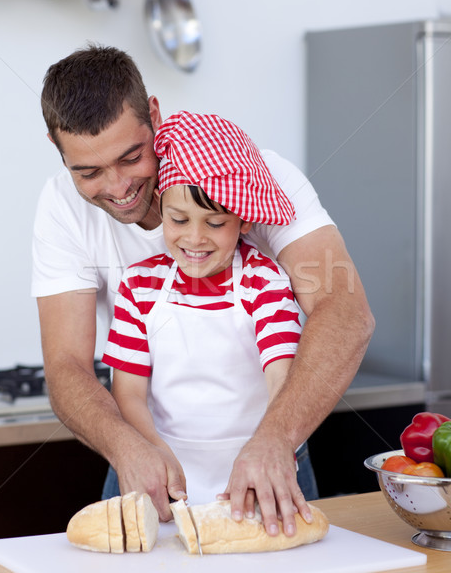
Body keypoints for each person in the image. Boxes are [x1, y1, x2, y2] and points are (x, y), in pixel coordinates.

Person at [33, 44, 374, 538]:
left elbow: (344, 309)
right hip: (145, 466)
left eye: (131, 156)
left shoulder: (253, 178)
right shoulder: (62, 208)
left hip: (270, 460)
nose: (119, 184)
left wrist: (276, 440)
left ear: (153, 115)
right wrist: (130, 448)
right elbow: (66, 365)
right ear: (57, 148)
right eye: (88, 171)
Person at [102, 110, 304, 510]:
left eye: (215, 223)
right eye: (179, 219)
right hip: (162, 480)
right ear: (162, 208)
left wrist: (271, 449)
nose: (194, 238)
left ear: (243, 221)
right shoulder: (139, 287)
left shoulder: (266, 283)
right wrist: (155, 454)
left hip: (254, 481)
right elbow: (127, 393)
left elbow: (284, 380)